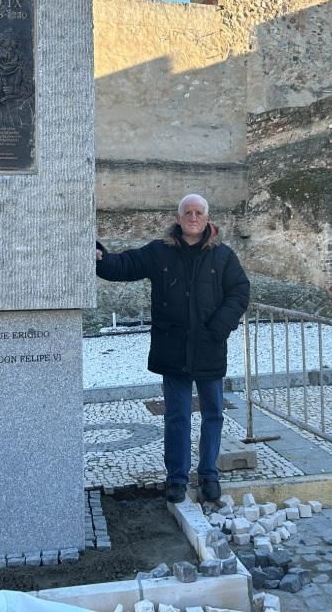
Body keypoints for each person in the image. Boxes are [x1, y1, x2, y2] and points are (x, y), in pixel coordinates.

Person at [95, 194, 250, 503]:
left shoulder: (223, 256)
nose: (193, 217)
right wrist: (100, 256)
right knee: (176, 417)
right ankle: (176, 478)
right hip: (173, 350)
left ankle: (209, 474)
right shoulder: (159, 252)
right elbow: (125, 265)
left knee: (213, 414)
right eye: (187, 213)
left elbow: (239, 292)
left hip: (209, 348)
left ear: (207, 219)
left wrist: (219, 328)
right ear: (178, 219)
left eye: (199, 213)